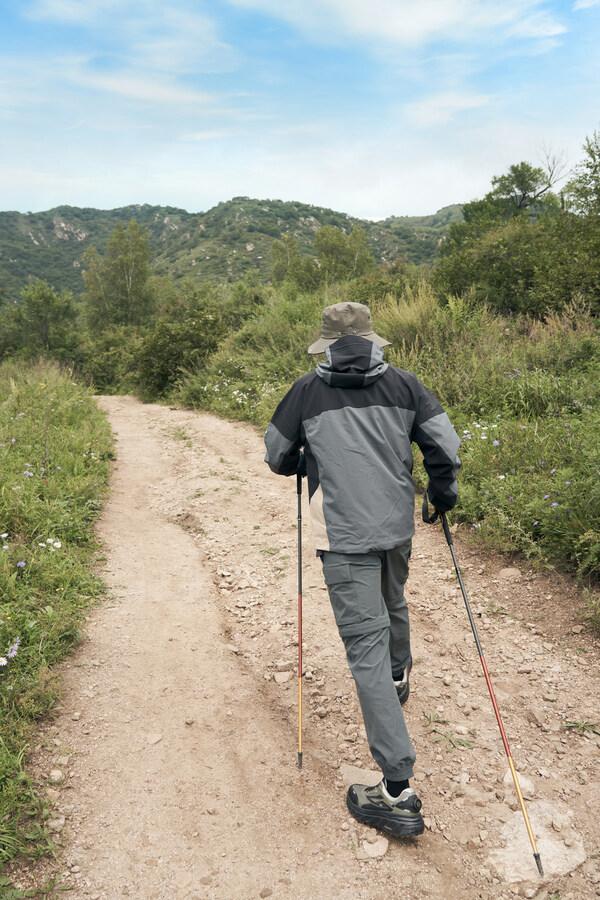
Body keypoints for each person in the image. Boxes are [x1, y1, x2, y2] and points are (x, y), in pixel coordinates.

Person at [264, 301, 460, 837]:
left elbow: (276, 454)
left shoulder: (307, 391)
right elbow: (444, 445)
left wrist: (308, 459)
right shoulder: (406, 385)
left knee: (363, 651)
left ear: (326, 345)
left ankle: (397, 791)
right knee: (393, 600)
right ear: (373, 341)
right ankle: (400, 674)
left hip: (343, 535)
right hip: (395, 528)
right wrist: (442, 492)